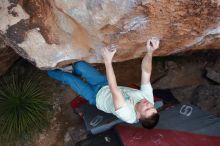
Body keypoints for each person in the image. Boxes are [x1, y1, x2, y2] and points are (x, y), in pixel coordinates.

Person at [48, 38, 160, 129]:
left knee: (66, 77)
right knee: (79, 65)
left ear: (139, 116)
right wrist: (150, 52)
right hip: (104, 84)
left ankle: (47, 70)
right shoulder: (148, 100)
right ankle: (75, 73)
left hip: (95, 97)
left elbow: (114, 90)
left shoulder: (127, 115)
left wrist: (107, 61)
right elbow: (146, 73)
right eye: (152, 106)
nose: (148, 104)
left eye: (146, 109)